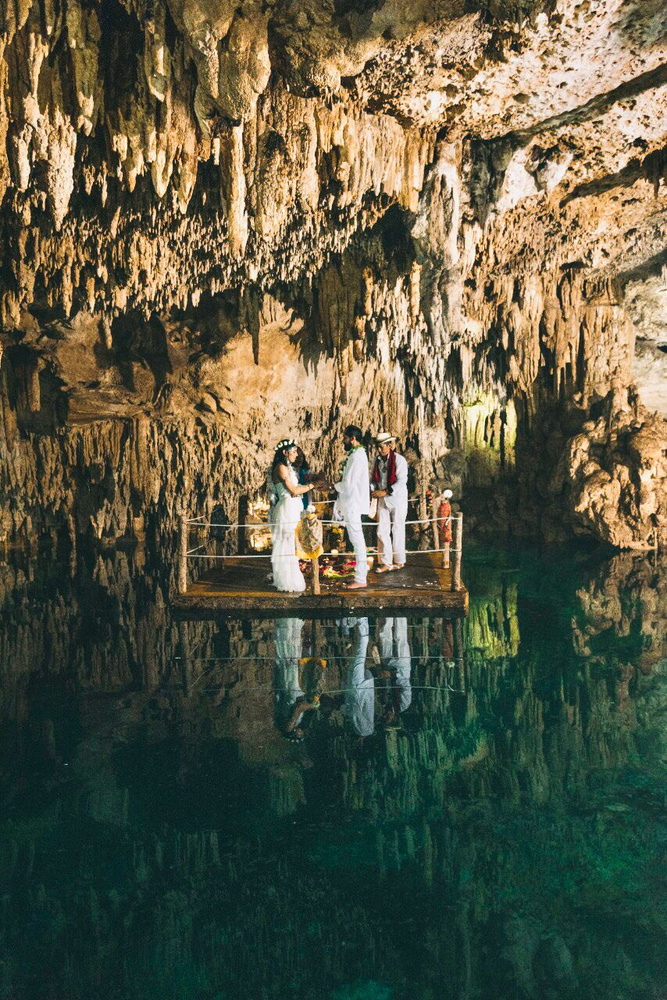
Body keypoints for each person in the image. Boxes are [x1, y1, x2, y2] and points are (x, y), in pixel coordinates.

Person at [269, 439, 313, 592]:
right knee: (286, 543)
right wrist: (312, 485)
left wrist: (303, 488)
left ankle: (291, 577)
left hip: (292, 507)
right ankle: (286, 580)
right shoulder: (281, 468)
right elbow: (294, 491)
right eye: (293, 451)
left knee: (292, 544)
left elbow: (295, 490)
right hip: (286, 508)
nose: (296, 454)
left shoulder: (288, 468)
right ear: (284, 452)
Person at [334, 425, 371, 590]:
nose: (344, 440)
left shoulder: (357, 456)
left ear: (353, 438)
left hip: (353, 503)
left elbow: (348, 483)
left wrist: (332, 487)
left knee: (357, 540)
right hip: (351, 502)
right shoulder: (356, 455)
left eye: (345, 437)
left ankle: (361, 578)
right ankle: (359, 575)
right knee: (356, 539)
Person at [370, 432, 409, 572]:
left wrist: (386, 491)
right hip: (382, 499)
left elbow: (402, 481)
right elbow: (374, 479)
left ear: (389, 445)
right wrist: (373, 489)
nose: (379, 450)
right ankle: (386, 562)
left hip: (397, 499)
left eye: (381, 447)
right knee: (381, 530)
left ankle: (399, 561)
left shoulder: (399, 460)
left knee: (397, 529)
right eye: (378, 447)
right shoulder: (377, 460)